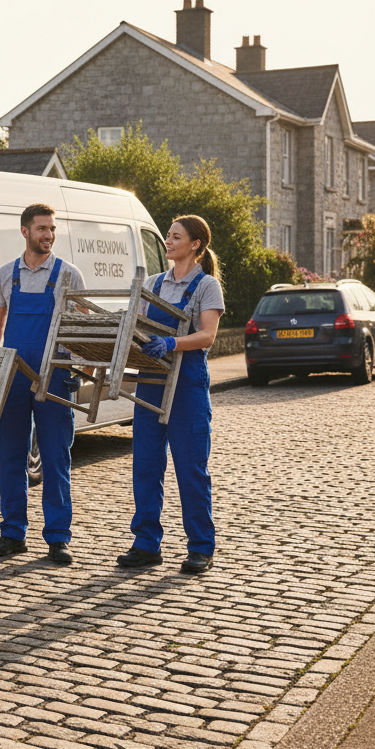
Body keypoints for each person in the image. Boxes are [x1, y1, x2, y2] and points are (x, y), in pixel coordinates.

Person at [118, 214, 224, 574]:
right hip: (151, 379)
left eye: (176, 236)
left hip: (187, 386)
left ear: (195, 245)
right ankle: (146, 543)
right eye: (168, 235)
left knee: (191, 469)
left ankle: (200, 547)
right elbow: (137, 325)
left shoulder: (207, 286)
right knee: (146, 466)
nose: (168, 240)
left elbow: (208, 336)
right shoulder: (153, 283)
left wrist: (172, 342)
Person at [0, 203, 86, 563]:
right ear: (25, 231)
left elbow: (82, 328)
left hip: (54, 377)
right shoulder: (5, 274)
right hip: (12, 376)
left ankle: (58, 537)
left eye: (52, 229)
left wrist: (78, 368)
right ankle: (12, 533)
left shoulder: (69, 274)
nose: (49, 235)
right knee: (11, 456)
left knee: (56, 458)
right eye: (42, 228)